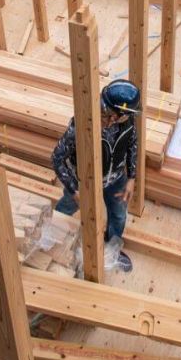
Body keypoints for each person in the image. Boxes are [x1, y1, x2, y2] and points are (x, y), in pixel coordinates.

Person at [50, 80, 141, 273]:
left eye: (109, 115)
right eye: (104, 111)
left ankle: (113, 248)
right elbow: (57, 158)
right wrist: (74, 189)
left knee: (118, 215)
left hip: (115, 180)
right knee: (65, 209)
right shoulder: (82, 125)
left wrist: (131, 178)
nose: (104, 117)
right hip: (83, 183)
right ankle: (52, 241)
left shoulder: (128, 122)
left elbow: (132, 144)